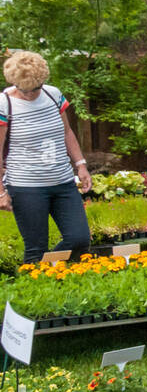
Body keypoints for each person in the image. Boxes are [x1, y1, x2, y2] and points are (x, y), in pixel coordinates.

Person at [0, 51, 92, 264]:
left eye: (36, 88)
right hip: (26, 186)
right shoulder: (5, 104)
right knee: (36, 248)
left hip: (63, 182)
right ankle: (36, 288)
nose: (31, 94)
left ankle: (51, 271)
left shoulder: (53, 94)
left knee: (79, 239)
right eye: (26, 90)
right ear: (15, 82)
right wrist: (1, 192)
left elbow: (67, 132)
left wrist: (81, 165)